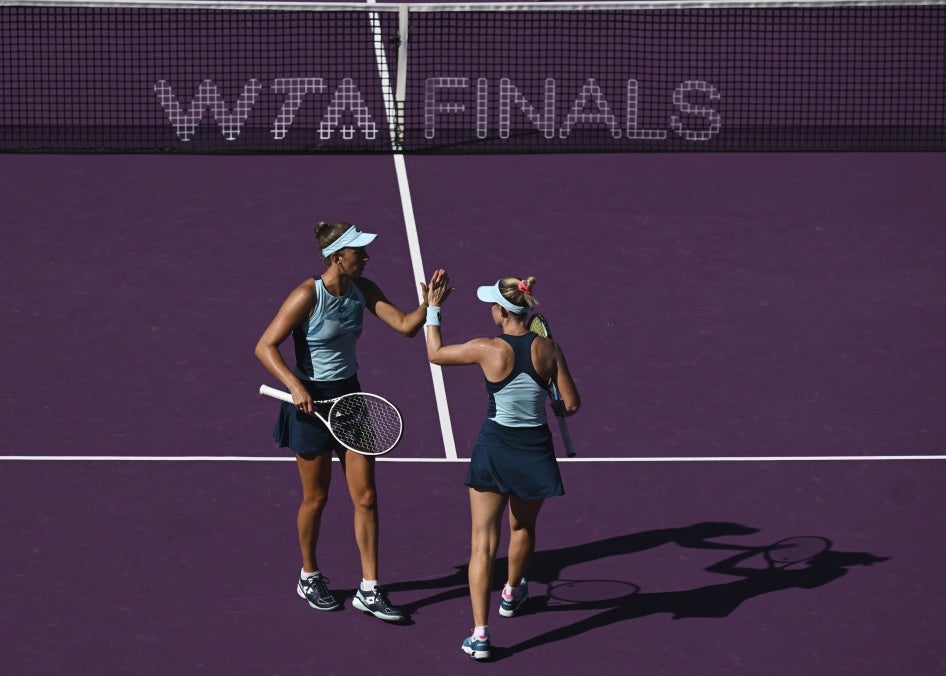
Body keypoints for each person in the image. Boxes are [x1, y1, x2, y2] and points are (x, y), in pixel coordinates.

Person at [255, 221, 447, 623]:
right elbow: (265, 346)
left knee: (366, 497)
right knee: (316, 498)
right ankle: (309, 576)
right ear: (337, 258)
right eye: (359, 252)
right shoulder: (307, 294)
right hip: (309, 404)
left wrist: (430, 306)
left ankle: (370, 589)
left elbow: (406, 327)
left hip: (351, 401)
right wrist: (295, 385)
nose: (367, 258)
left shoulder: (364, 288)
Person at [423, 274, 580, 660]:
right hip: (534, 452)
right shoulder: (549, 349)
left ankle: (480, 635)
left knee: (482, 542)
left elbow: (435, 354)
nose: (490, 309)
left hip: (495, 451)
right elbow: (571, 404)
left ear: (501, 312)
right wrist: (556, 405)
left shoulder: (486, 348)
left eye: (492, 304)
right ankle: (511, 592)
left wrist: (433, 308)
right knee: (522, 527)